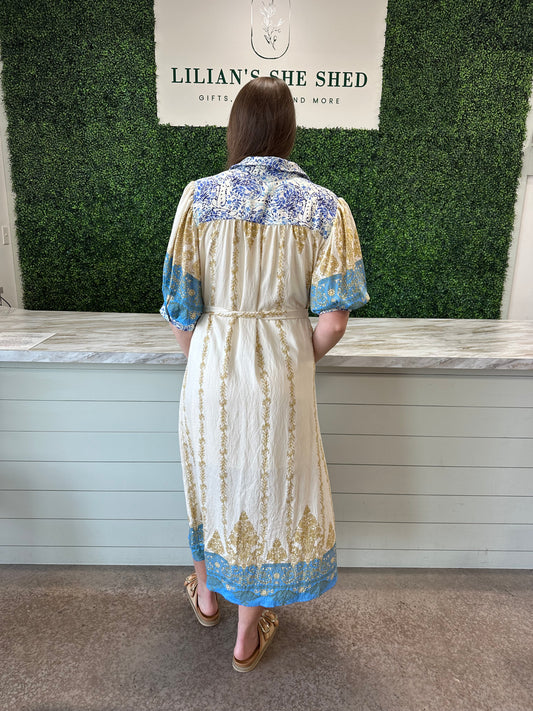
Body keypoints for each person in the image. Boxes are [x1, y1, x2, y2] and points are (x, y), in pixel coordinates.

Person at [160, 76, 369, 672]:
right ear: (288, 130)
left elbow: (180, 309)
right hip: (283, 377)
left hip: (209, 368)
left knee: (211, 482)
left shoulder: (199, 199)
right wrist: (293, 358)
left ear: (237, 128)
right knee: (268, 495)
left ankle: (207, 598)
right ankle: (245, 638)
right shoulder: (325, 208)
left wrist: (208, 359)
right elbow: (333, 321)